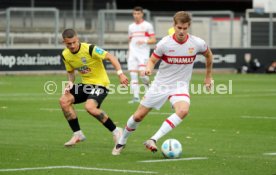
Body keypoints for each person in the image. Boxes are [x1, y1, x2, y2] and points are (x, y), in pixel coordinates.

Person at [112, 11, 213, 155]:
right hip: (160, 85)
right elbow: (152, 60)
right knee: (138, 116)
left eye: (185, 28)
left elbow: (209, 55)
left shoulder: (197, 43)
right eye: (179, 28)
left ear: (188, 26)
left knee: (183, 110)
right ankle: (122, 141)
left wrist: (208, 76)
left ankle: (153, 139)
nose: (182, 31)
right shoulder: (164, 43)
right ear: (174, 25)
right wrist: (148, 69)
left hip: (180, 86)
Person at [59, 29, 128, 153]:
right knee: (64, 100)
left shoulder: (90, 49)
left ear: (77, 39)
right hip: (86, 85)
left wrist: (120, 74)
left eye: (74, 42)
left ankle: (116, 131)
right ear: (64, 42)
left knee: (90, 107)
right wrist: (70, 82)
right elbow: (71, 73)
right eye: (69, 44)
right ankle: (78, 134)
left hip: (101, 84)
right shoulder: (65, 55)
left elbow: (110, 57)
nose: (72, 46)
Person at [127, 6, 156, 104]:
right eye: (134, 14)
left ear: (142, 14)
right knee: (133, 75)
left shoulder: (147, 25)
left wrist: (144, 41)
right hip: (133, 54)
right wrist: (130, 51)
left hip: (143, 54)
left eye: (138, 13)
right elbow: (130, 40)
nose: (136, 15)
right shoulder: (131, 27)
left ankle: (150, 92)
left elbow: (153, 40)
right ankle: (136, 97)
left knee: (143, 76)